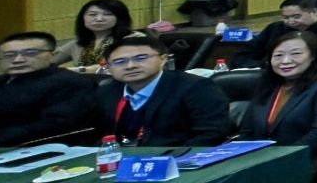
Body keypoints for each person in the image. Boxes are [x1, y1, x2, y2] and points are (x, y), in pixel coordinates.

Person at [83, 33, 232, 146]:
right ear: (108, 67)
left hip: (175, 162)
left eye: (141, 58)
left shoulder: (195, 88)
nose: (130, 66)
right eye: (119, 61)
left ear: (163, 60)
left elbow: (211, 134)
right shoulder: (107, 91)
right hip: (120, 161)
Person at [238, 33, 317, 157]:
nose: (285, 61)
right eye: (278, 55)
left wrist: (283, 157)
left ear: (313, 56)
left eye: (296, 54)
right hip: (265, 158)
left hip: (310, 157)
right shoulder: (268, 86)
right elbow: (247, 131)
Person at [0, 32, 96, 144]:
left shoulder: (70, 82)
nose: (18, 60)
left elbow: (57, 124)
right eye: (9, 55)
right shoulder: (2, 80)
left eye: (30, 53)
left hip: (37, 145)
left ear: (52, 55)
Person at [234, 0, 317, 69]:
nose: (290, 22)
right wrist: (261, 65)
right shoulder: (275, 28)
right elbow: (244, 54)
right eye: (286, 17)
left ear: (314, 12)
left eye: (296, 16)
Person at [55, 0, 133, 68]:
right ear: (82, 18)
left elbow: (107, 67)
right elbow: (50, 61)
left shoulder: (131, 39)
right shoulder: (77, 43)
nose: (99, 19)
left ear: (120, 17)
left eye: (107, 14)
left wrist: (75, 71)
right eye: (92, 14)